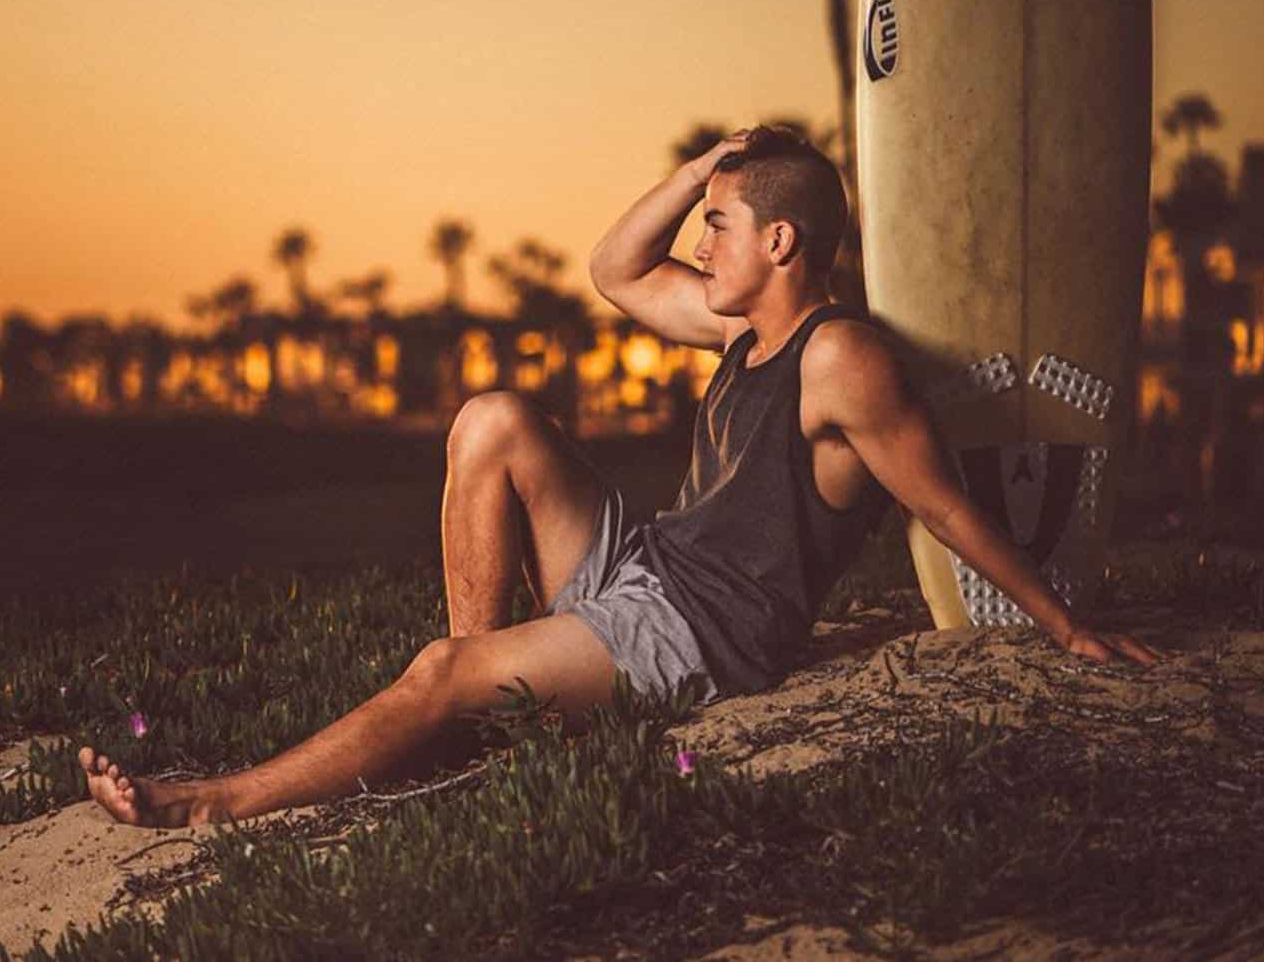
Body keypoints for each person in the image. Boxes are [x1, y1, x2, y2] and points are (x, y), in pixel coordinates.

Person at [79, 125, 1165, 827]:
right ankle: (478, 700)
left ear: (781, 241)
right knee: (494, 419)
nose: (701, 244)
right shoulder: (738, 327)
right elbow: (611, 271)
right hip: (643, 572)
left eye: (720, 227)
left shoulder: (840, 359)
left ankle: (212, 803)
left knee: (432, 671)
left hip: (698, 631)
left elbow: (943, 506)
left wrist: (1058, 626)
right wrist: (704, 169)